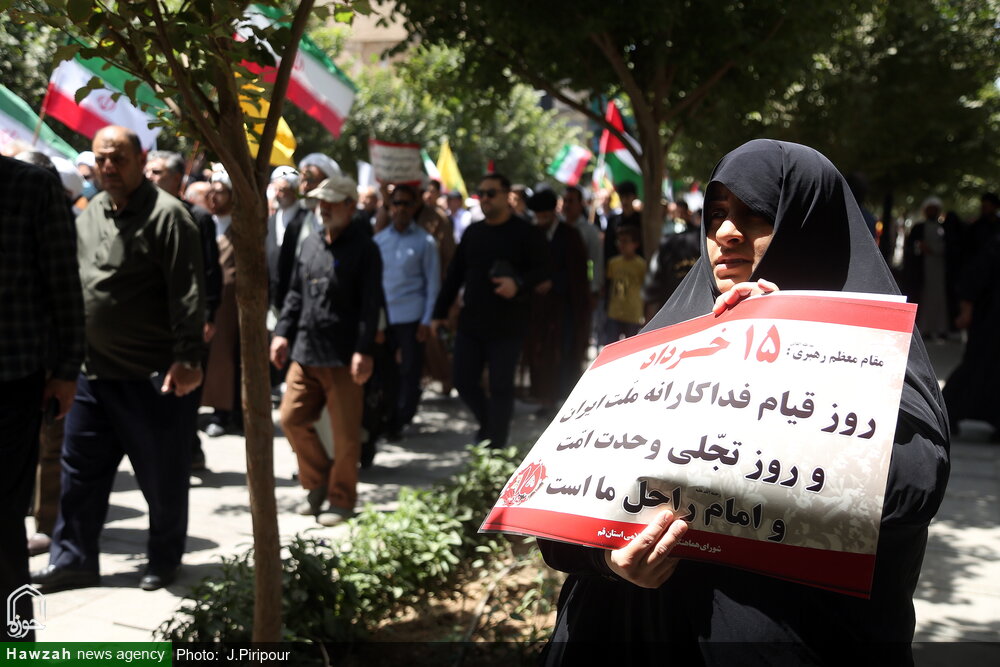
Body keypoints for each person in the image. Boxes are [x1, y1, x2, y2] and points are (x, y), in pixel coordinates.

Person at [539, 140, 949, 664]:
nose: (727, 233)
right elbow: (558, 508)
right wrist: (609, 560)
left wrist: (793, 346)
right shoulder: (661, 347)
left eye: (756, 214)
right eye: (716, 215)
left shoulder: (874, 358)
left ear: (810, 226)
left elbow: (906, 492)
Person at [32, 126, 205, 593]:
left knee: (162, 476)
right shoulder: (90, 213)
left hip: (151, 377)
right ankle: (73, 560)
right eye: (102, 158)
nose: (108, 167)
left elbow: (188, 293)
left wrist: (188, 357)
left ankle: (163, 559)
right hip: (91, 375)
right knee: (79, 475)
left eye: (119, 159)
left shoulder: (169, 216)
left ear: (141, 160)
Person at [1, 156, 84, 641]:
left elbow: (64, 286)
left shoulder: (31, 187)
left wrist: (67, 369)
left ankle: (14, 642)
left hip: (11, 380)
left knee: (2, 521)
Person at [271, 175, 382, 527]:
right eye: (322, 201)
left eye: (332, 202)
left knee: (346, 436)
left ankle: (341, 499)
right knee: (290, 418)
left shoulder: (365, 248)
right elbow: (295, 294)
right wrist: (282, 333)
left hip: (344, 357)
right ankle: (317, 483)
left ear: (351, 206)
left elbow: (371, 305)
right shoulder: (311, 243)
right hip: (305, 350)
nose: (325, 208)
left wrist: (364, 351)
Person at [431, 173, 549, 448]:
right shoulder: (473, 233)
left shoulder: (526, 233)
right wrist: (438, 313)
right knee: (462, 380)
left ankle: (497, 444)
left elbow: (544, 270)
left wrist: (518, 284)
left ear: (507, 196)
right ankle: (488, 424)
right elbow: (454, 276)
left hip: (509, 324)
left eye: (491, 193)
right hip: (472, 322)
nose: (484, 198)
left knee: (500, 386)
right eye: (481, 193)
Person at [146, 150, 222, 470]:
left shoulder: (198, 217)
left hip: (187, 319)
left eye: (157, 172)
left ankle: (187, 450)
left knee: (184, 390)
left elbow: (210, 271)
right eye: (148, 171)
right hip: (151, 321)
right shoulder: (140, 215)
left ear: (177, 178)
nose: (150, 177)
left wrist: (208, 315)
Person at [373, 184, 441, 439]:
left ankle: (402, 418)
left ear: (414, 208)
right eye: (396, 203)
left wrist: (427, 320)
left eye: (406, 203)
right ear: (390, 207)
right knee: (385, 372)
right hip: (384, 318)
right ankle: (388, 418)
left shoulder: (425, 242)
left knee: (410, 372)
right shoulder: (379, 241)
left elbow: (433, 284)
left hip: (412, 318)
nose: (401, 208)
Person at [522, 189, 589, 415]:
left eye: (544, 215)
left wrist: (554, 282)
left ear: (552, 212)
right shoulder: (531, 234)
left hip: (564, 307)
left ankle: (564, 401)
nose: (540, 220)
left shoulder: (570, 235)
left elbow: (578, 272)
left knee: (564, 352)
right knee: (540, 352)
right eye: (537, 216)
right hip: (537, 308)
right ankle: (545, 399)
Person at [603, 225, 646, 342]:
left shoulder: (641, 265)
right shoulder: (613, 263)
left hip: (633, 314)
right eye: (619, 241)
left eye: (625, 241)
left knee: (631, 346)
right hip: (614, 312)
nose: (621, 245)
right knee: (611, 344)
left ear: (635, 244)